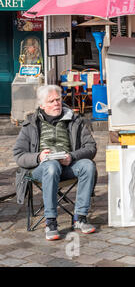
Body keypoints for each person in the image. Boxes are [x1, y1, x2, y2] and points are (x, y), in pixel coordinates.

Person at [13, 85, 97, 241]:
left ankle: (80, 217)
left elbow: (91, 147)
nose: (56, 103)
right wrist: (38, 157)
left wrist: (71, 156)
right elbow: (18, 155)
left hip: (67, 166)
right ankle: (51, 222)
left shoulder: (75, 121)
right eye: (51, 101)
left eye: (58, 99)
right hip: (41, 169)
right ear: (42, 105)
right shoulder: (30, 124)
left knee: (88, 165)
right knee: (51, 166)